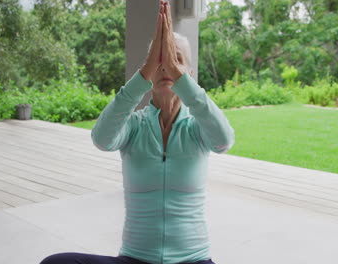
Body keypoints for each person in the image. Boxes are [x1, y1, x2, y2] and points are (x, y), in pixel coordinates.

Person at [39, 1, 234, 264]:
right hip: (135, 260)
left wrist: (178, 75)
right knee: (57, 263)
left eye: (177, 60)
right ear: (149, 72)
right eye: (160, 61)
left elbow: (224, 141)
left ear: (189, 74)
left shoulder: (197, 127)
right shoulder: (133, 126)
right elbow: (102, 139)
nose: (167, 67)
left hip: (193, 260)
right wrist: (144, 72)